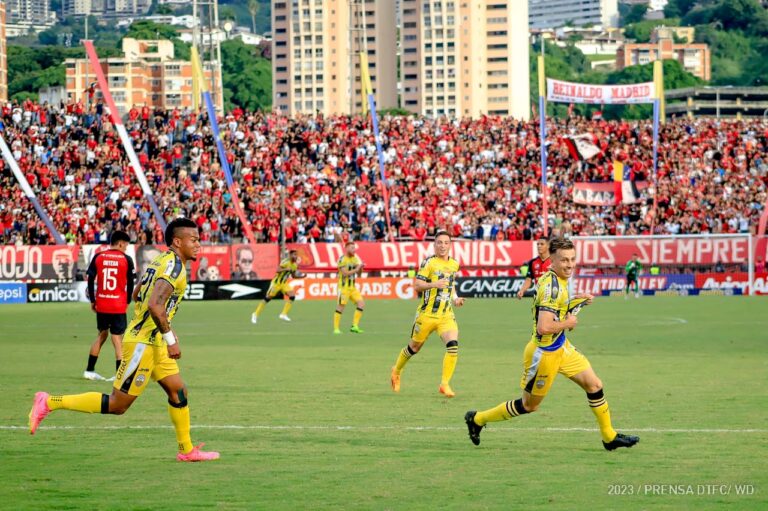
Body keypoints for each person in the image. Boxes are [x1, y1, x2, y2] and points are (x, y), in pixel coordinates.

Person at [29, 218, 220, 462]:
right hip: (143, 344)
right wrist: (169, 336)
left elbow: (138, 292)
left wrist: (162, 325)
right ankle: (49, 402)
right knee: (118, 405)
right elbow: (154, 304)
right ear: (177, 241)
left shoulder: (161, 259)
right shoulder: (174, 268)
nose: (198, 245)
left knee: (178, 391)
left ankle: (186, 450)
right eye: (193, 240)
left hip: (154, 340)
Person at [464, 237, 639, 451]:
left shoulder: (558, 280)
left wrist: (577, 301)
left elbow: (558, 310)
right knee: (529, 406)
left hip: (561, 347)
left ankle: (609, 437)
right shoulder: (552, 287)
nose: (570, 264)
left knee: (594, 385)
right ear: (552, 261)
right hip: (544, 354)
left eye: (573, 259)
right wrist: (569, 322)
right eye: (564, 260)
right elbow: (544, 327)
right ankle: (478, 419)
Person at [390, 231, 465, 398]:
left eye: (446, 243)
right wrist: (434, 284)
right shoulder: (428, 263)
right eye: (439, 242)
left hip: (446, 315)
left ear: (450, 245)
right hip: (427, 315)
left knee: (453, 345)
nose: (443, 246)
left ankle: (444, 384)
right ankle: (396, 370)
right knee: (414, 348)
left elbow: (450, 284)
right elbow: (417, 285)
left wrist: (455, 298)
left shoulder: (454, 264)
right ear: (435, 245)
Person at [83, 231, 135, 381]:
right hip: (117, 304)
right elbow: (131, 283)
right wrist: (127, 302)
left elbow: (90, 279)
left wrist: (93, 300)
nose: (126, 248)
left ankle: (89, 370)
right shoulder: (126, 259)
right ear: (120, 243)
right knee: (117, 338)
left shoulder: (98, 256)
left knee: (101, 335)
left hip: (102, 303)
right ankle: (120, 375)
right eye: (125, 245)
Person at [251, 250, 301, 324]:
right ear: (290, 255)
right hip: (276, 283)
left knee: (292, 296)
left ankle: (283, 314)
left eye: (296, 255)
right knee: (268, 298)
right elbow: (277, 270)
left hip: (284, 284)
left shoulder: (295, 265)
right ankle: (255, 314)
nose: (295, 256)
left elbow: (293, 276)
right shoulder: (285, 262)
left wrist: (300, 276)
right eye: (294, 254)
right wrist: (285, 269)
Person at [333, 241, 365, 334]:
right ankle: (336, 329)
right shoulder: (342, 259)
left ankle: (354, 326)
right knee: (341, 307)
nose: (354, 250)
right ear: (346, 248)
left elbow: (359, 274)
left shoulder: (354, 259)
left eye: (354, 248)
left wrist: (361, 268)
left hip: (352, 287)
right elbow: (345, 273)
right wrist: (357, 268)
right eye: (352, 248)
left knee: (361, 303)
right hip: (343, 288)